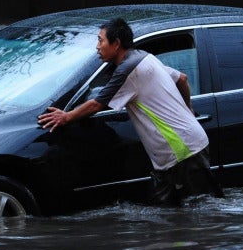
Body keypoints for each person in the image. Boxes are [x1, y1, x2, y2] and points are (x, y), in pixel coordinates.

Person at [37, 18, 222, 206]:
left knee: (202, 212)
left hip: (183, 151)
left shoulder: (128, 70)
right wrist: (188, 109)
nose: (97, 47)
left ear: (116, 43)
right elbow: (182, 79)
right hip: (172, 154)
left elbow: (97, 104)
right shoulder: (144, 57)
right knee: (166, 216)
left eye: (101, 40)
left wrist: (66, 116)